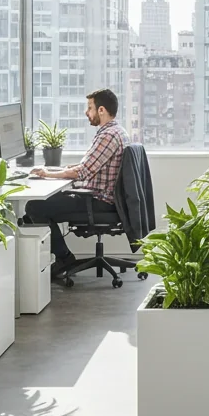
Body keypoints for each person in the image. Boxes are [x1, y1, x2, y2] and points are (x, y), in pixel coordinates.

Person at [24, 88, 129, 277]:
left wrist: (49, 173)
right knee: (42, 205)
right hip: (102, 199)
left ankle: (64, 258)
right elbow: (87, 165)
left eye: (90, 108)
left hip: (98, 202)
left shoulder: (108, 136)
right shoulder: (115, 131)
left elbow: (83, 172)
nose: (86, 112)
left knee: (34, 207)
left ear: (102, 110)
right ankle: (54, 259)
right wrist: (58, 170)